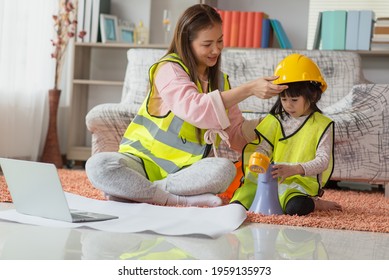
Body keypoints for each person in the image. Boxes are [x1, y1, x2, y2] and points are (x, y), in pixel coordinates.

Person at [85, 4, 286, 208]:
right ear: (187, 43)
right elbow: (196, 109)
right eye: (207, 44)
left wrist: (272, 123)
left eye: (220, 41)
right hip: (140, 162)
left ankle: (139, 192)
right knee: (98, 166)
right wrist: (249, 88)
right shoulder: (168, 69)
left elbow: (236, 135)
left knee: (224, 169)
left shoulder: (221, 82)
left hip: (184, 174)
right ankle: (174, 199)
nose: (216, 49)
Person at [230, 53, 342, 216]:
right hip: (269, 178)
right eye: (283, 99)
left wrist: (295, 169)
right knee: (239, 203)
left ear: (313, 95)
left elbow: (322, 161)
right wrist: (260, 158)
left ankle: (315, 203)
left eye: (294, 100)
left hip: (298, 182)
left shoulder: (322, 125)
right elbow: (264, 148)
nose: (288, 105)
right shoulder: (275, 120)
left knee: (295, 209)